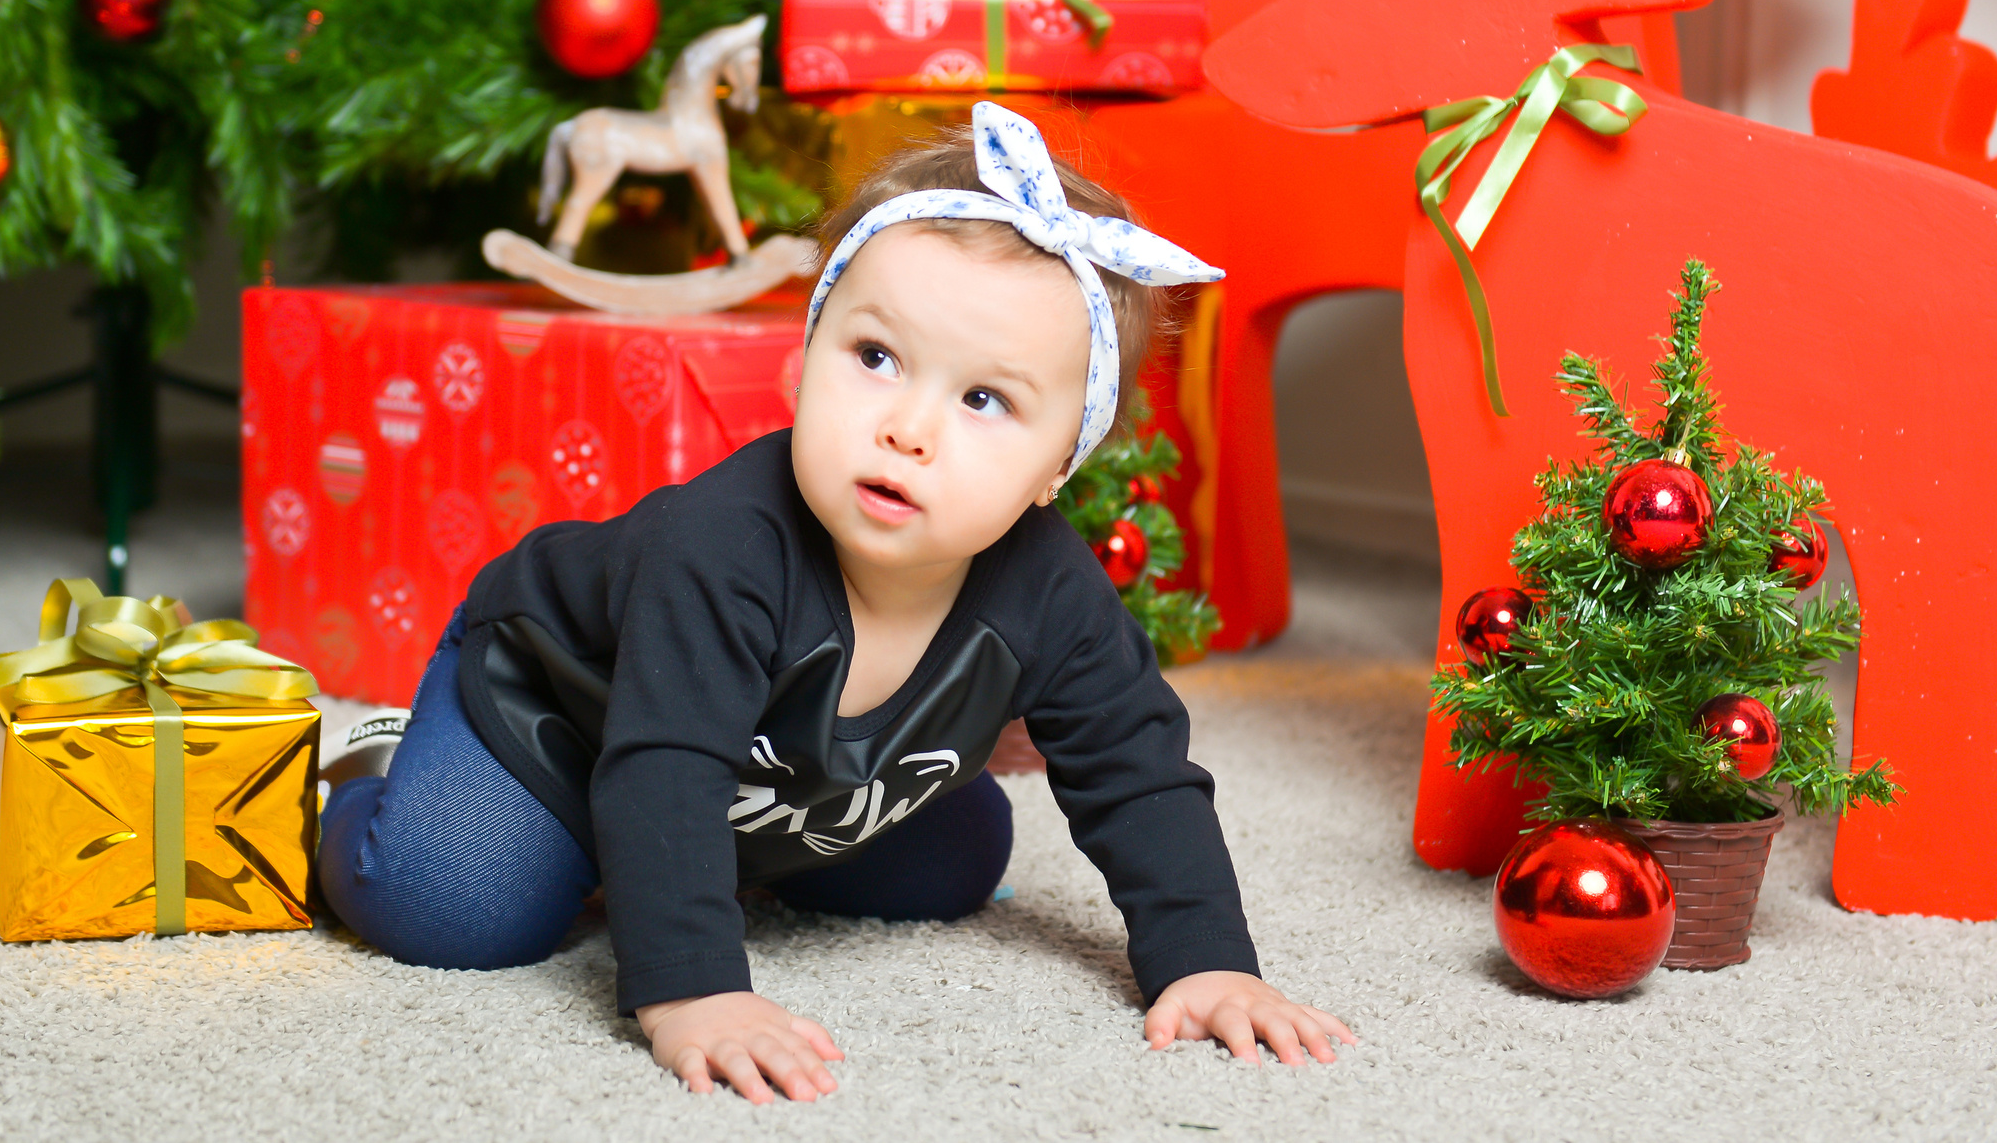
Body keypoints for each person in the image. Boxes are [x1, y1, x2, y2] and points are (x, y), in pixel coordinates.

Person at [316, 102, 1355, 1102]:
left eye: (983, 398)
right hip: (553, 713)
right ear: (805, 355)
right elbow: (668, 760)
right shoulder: (722, 546)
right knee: (451, 904)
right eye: (875, 357)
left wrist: (1208, 960)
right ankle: (375, 770)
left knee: (951, 863)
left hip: (766, 774)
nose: (907, 427)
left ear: (1057, 467)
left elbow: (1141, 773)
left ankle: (671, 853)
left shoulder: (1050, 590)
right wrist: (693, 988)